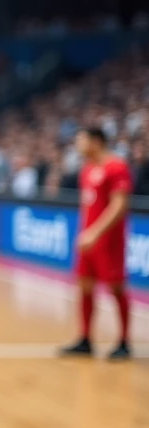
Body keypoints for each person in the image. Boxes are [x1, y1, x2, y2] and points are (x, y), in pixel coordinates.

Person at [60, 126, 133, 360]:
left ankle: (123, 341)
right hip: (89, 241)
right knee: (84, 285)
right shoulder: (88, 169)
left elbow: (119, 205)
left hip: (108, 242)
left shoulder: (117, 167)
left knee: (116, 288)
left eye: (81, 140)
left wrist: (95, 233)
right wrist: (84, 233)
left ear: (96, 141)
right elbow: (87, 206)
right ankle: (85, 339)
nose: (78, 146)